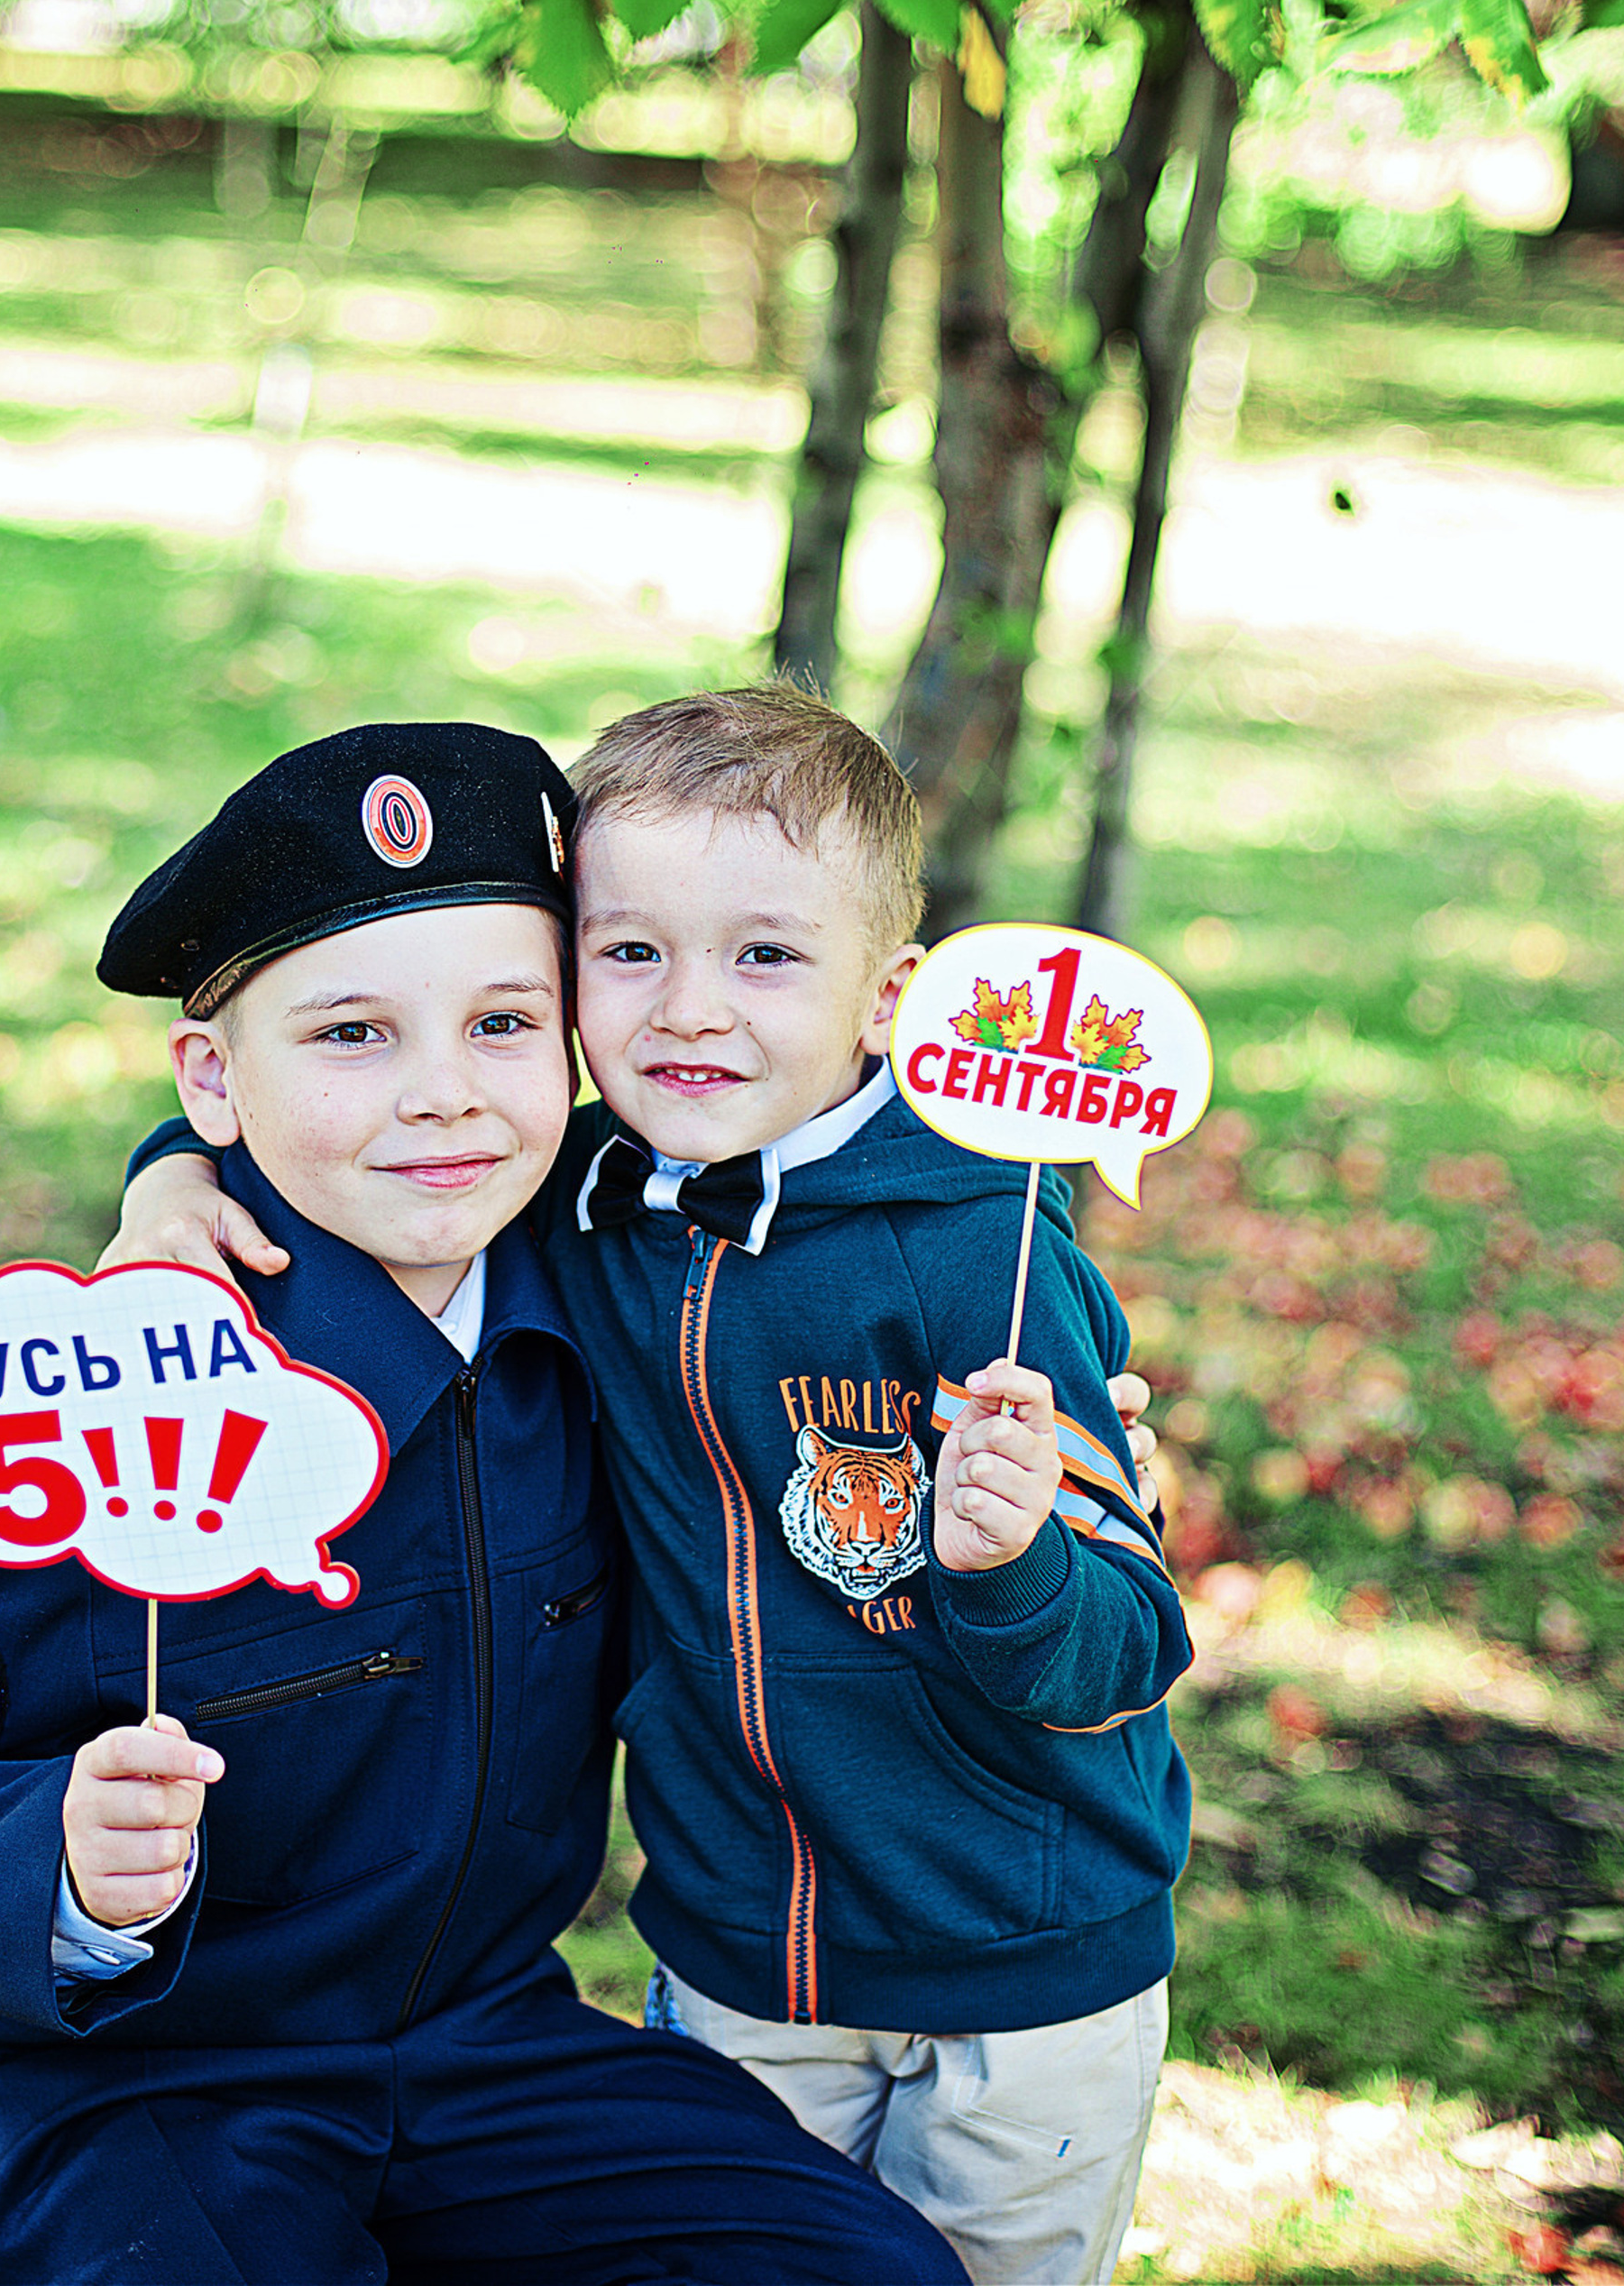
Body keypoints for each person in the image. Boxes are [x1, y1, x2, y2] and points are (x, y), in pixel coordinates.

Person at [0, 721, 968, 2286]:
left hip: (479, 2050)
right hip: (125, 2088)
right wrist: (68, 1869)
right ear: (214, 1078)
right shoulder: (77, 1401)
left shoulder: (606, 1295)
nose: (445, 1097)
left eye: (505, 1024)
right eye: (354, 1034)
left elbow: (860, 1199)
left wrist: (1052, 1400)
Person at [120, 684, 1194, 2286]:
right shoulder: (573, 1190)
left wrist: (1016, 1561)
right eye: (630, 952)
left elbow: (1129, 1647)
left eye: (765, 956)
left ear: (888, 999)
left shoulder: (988, 1257)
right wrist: (167, 1180)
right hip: (739, 1939)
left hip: (1018, 1958)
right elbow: (324, 1104)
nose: (690, 1012)